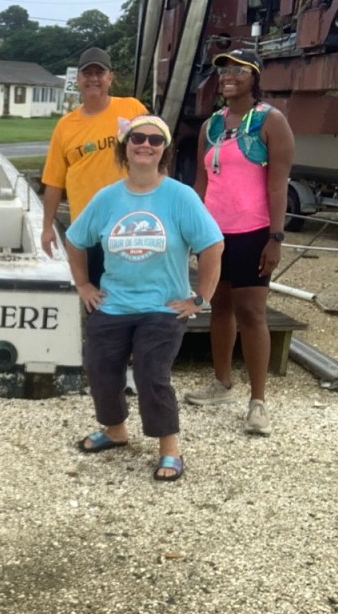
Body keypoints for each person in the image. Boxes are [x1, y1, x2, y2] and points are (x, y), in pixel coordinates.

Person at [65, 116, 224, 481]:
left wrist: (200, 299)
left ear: (164, 150)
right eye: (138, 138)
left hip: (162, 307)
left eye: (155, 140)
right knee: (101, 369)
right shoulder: (107, 198)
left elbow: (213, 244)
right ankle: (115, 430)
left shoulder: (180, 197)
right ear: (126, 145)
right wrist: (84, 286)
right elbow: (75, 239)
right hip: (114, 302)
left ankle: (170, 449)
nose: (146, 145)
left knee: (153, 373)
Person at [183, 49, 295, 436]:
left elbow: (278, 184)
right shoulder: (211, 124)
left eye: (238, 70)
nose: (228, 76)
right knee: (220, 307)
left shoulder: (271, 121)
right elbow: (202, 182)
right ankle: (221, 382)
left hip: (253, 231)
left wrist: (275, 238)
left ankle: (258, 402)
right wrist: (193, 229)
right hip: (215, 234)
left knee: (252, 313)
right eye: (224, 71)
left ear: (255, 76)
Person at [41, 47, 147, 274]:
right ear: (77, 79)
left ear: (110, 78)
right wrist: (47, 227)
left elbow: (157, 156)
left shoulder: (133, 108)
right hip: (87, 227)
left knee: (133, 294)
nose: (93, 79)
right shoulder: (65, 126)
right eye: (87, 73)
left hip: (131, 224)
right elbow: (53, 182)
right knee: (93, 295)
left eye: (99, 73)